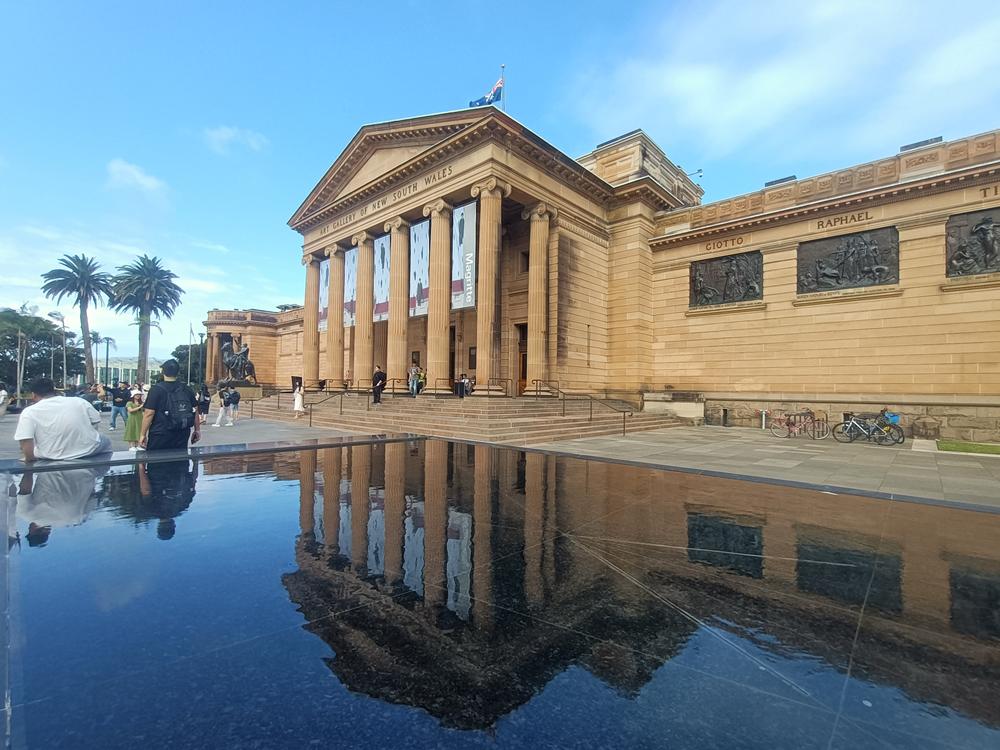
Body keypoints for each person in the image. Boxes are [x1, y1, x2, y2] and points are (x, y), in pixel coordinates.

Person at [13, 377, 112, 462]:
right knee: (104, 439)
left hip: (49, 454)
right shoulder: (79, 401)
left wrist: (29, 459)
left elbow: (25, 440)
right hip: (88, 450)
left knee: (36, 449)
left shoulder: (29, 411)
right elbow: (95, 420)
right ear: (54, 391)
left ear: (33, 395)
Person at [139, 360, 200, 451]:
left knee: (157, 458)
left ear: (163, 372)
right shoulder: (186, 389)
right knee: (179, 457)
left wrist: (143, 434)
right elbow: (195, 409)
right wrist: (197, 430)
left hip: (160, 432)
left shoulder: (156, 389)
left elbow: (149, 413)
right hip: (182, 433)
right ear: (177, 372)